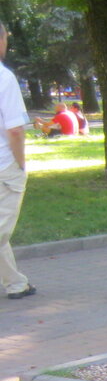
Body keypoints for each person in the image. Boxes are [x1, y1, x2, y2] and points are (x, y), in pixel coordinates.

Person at [0, 21, 33, 300]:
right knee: (1, 230)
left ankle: (16, 283)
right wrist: (21, 165)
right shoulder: (4, 77)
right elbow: (15, 130)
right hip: (4, 166)